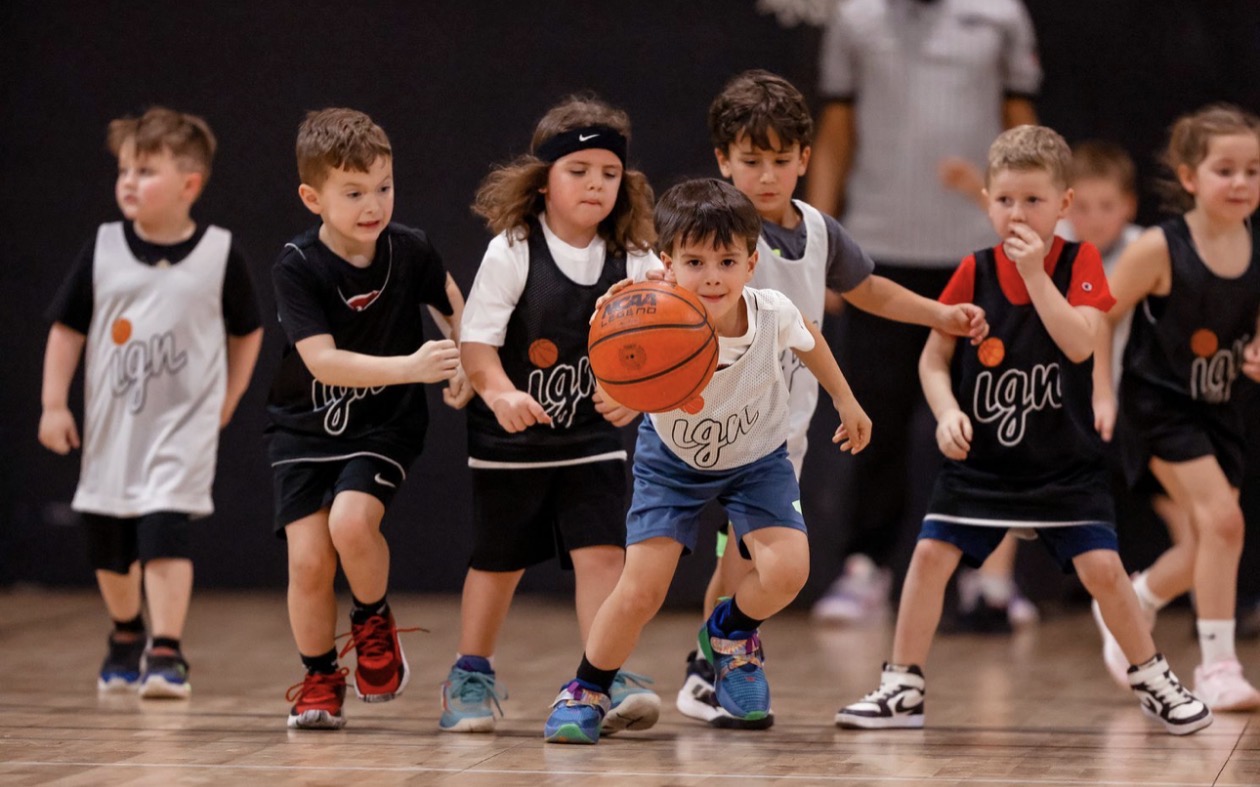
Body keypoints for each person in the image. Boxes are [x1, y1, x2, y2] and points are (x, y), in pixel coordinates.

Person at [835, 125, 1213, 736]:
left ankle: (1151, 675)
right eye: (1006, 200)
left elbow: (1081, 341)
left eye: (1034, 201)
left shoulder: (1079, 262)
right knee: (930, 556)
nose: (1018, 213)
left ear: (1063, 206)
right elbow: (933, 359)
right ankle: (902, 683)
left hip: (1063, 461)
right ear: (987, 201)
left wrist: (1038, 275)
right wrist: (947, 411)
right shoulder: (972, 270)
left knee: (1104, 572)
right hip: (983, 462)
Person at [676, 69, 987, 729]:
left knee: (744, 555)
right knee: (739, 554)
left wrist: (938, 313)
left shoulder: (818, 230)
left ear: (805, 160)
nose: (766, 175)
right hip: (708, 423)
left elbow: (870, 289)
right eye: (751, 161)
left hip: (779, 430)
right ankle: (717, 658)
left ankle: (712, 657)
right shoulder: (713, 235)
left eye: (780, 161)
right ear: (723, 160)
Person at [543, 177, 873, 744]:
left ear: (751, 263)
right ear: (666, 263)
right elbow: (611, 343)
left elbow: (810, 339)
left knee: (790, 571)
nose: (713, 274)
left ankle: (731, 633)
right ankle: (587, 688)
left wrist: (846, 399)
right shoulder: (648, 311)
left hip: (757, 459)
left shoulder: (771, 311)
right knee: (641, 591)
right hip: (673, 463)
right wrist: (612, 320)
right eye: (695, 261)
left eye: (727, 260)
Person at [807, 0, 1042, 626]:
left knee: (983, 415)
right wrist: (815, 242)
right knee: (874, 413)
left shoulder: (1001, 15)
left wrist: (1027, 227)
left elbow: (1022, 129)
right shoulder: (854, 19)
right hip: (877, 248)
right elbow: (836, 132)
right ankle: (865, 568)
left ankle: (980, 575)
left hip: (977, 250)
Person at [442, 95, 661, 735]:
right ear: (544, 180)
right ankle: (470, 673)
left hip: (591, 436)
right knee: (498, 562)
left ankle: (601, 674)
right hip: (510, 438)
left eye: (609, 173)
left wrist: (639, 394)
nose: (596, 183)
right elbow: (477, 345)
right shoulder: (514, 250)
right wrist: (501, 392)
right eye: (579, 170)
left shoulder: (638, 258)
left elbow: (670, 347)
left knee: (604, 557)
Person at [38, 107, 263, 698]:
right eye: (124, 170)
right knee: (110, 551)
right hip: (113, 432)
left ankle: (167, 649)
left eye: (145, 169)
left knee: (165, 531)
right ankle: (124, 630)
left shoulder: (219, 253)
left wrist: (231, 394)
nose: (129, 182)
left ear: (190, 184)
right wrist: (53, 404)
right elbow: (67, 329)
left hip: (181, 431)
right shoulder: (104, 247)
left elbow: (249, 331)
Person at [268, 108, 469, 730]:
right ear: (312, 197)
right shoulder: (296, 266)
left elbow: (452, 302)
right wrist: (412, 366)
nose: (372, 203)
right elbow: (322, 362)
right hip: (303, 425)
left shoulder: (408, 248)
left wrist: (466, 360)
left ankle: (373, 618)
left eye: (383, 187)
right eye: (353, 193)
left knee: (353, 523)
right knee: (308, 563)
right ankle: (321, 677)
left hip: (384, 423)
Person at [1091, 104, 1260, 711]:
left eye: (1253, 170)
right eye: (1225, 170)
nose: (1241, 183)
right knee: (1224, 522)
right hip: (1157, 406)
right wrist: (1103, 392)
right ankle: (1218, 667)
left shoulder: (1254, 245)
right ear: (1190, 177)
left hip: (1222, 409)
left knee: (1208, 539)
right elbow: (1102, 316)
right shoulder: (1162, 247)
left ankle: (1133, 604)